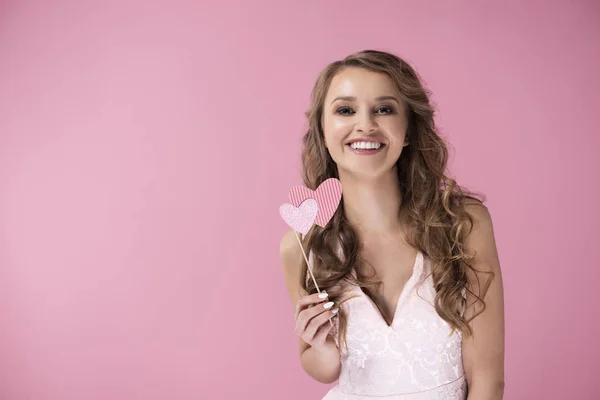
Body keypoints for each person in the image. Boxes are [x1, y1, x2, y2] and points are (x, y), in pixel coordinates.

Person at [280, 50, 505, 399]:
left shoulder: (463, 224)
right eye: (345, 110)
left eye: (384, 109)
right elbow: (321, 368)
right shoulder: (301, 245)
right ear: (323, 132)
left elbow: (488, 380)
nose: (365, 125)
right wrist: (321, 346)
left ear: (409, 129)